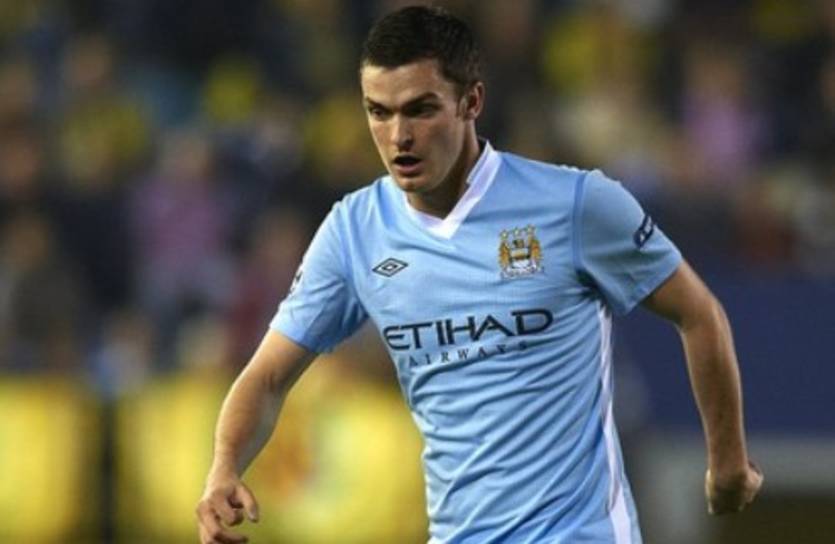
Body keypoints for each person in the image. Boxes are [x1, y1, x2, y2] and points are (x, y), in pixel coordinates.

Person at [196, 6, 763, 543]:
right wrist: (223, 467)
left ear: (471, 101)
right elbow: (266, 376)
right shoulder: (354, 231)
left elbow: (699, 314)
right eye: (379, 112)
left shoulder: (575, 204)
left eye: (421, 109)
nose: (399, 136)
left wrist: (728, 462)